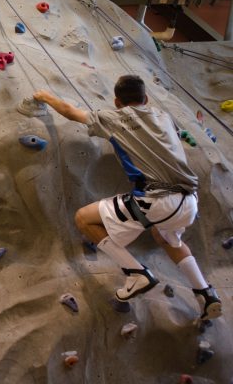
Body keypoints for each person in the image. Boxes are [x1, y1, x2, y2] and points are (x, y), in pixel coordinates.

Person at [33, 75, 222, 320]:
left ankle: (136, 273)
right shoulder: (164, 117)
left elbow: (71, 112)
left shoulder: (113, 117)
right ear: (145, 98)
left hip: (156, 199)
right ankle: (206, 294)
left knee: (83, 219)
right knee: (166, 237)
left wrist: (44, 96)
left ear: (117, 102)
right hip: (188, 201)